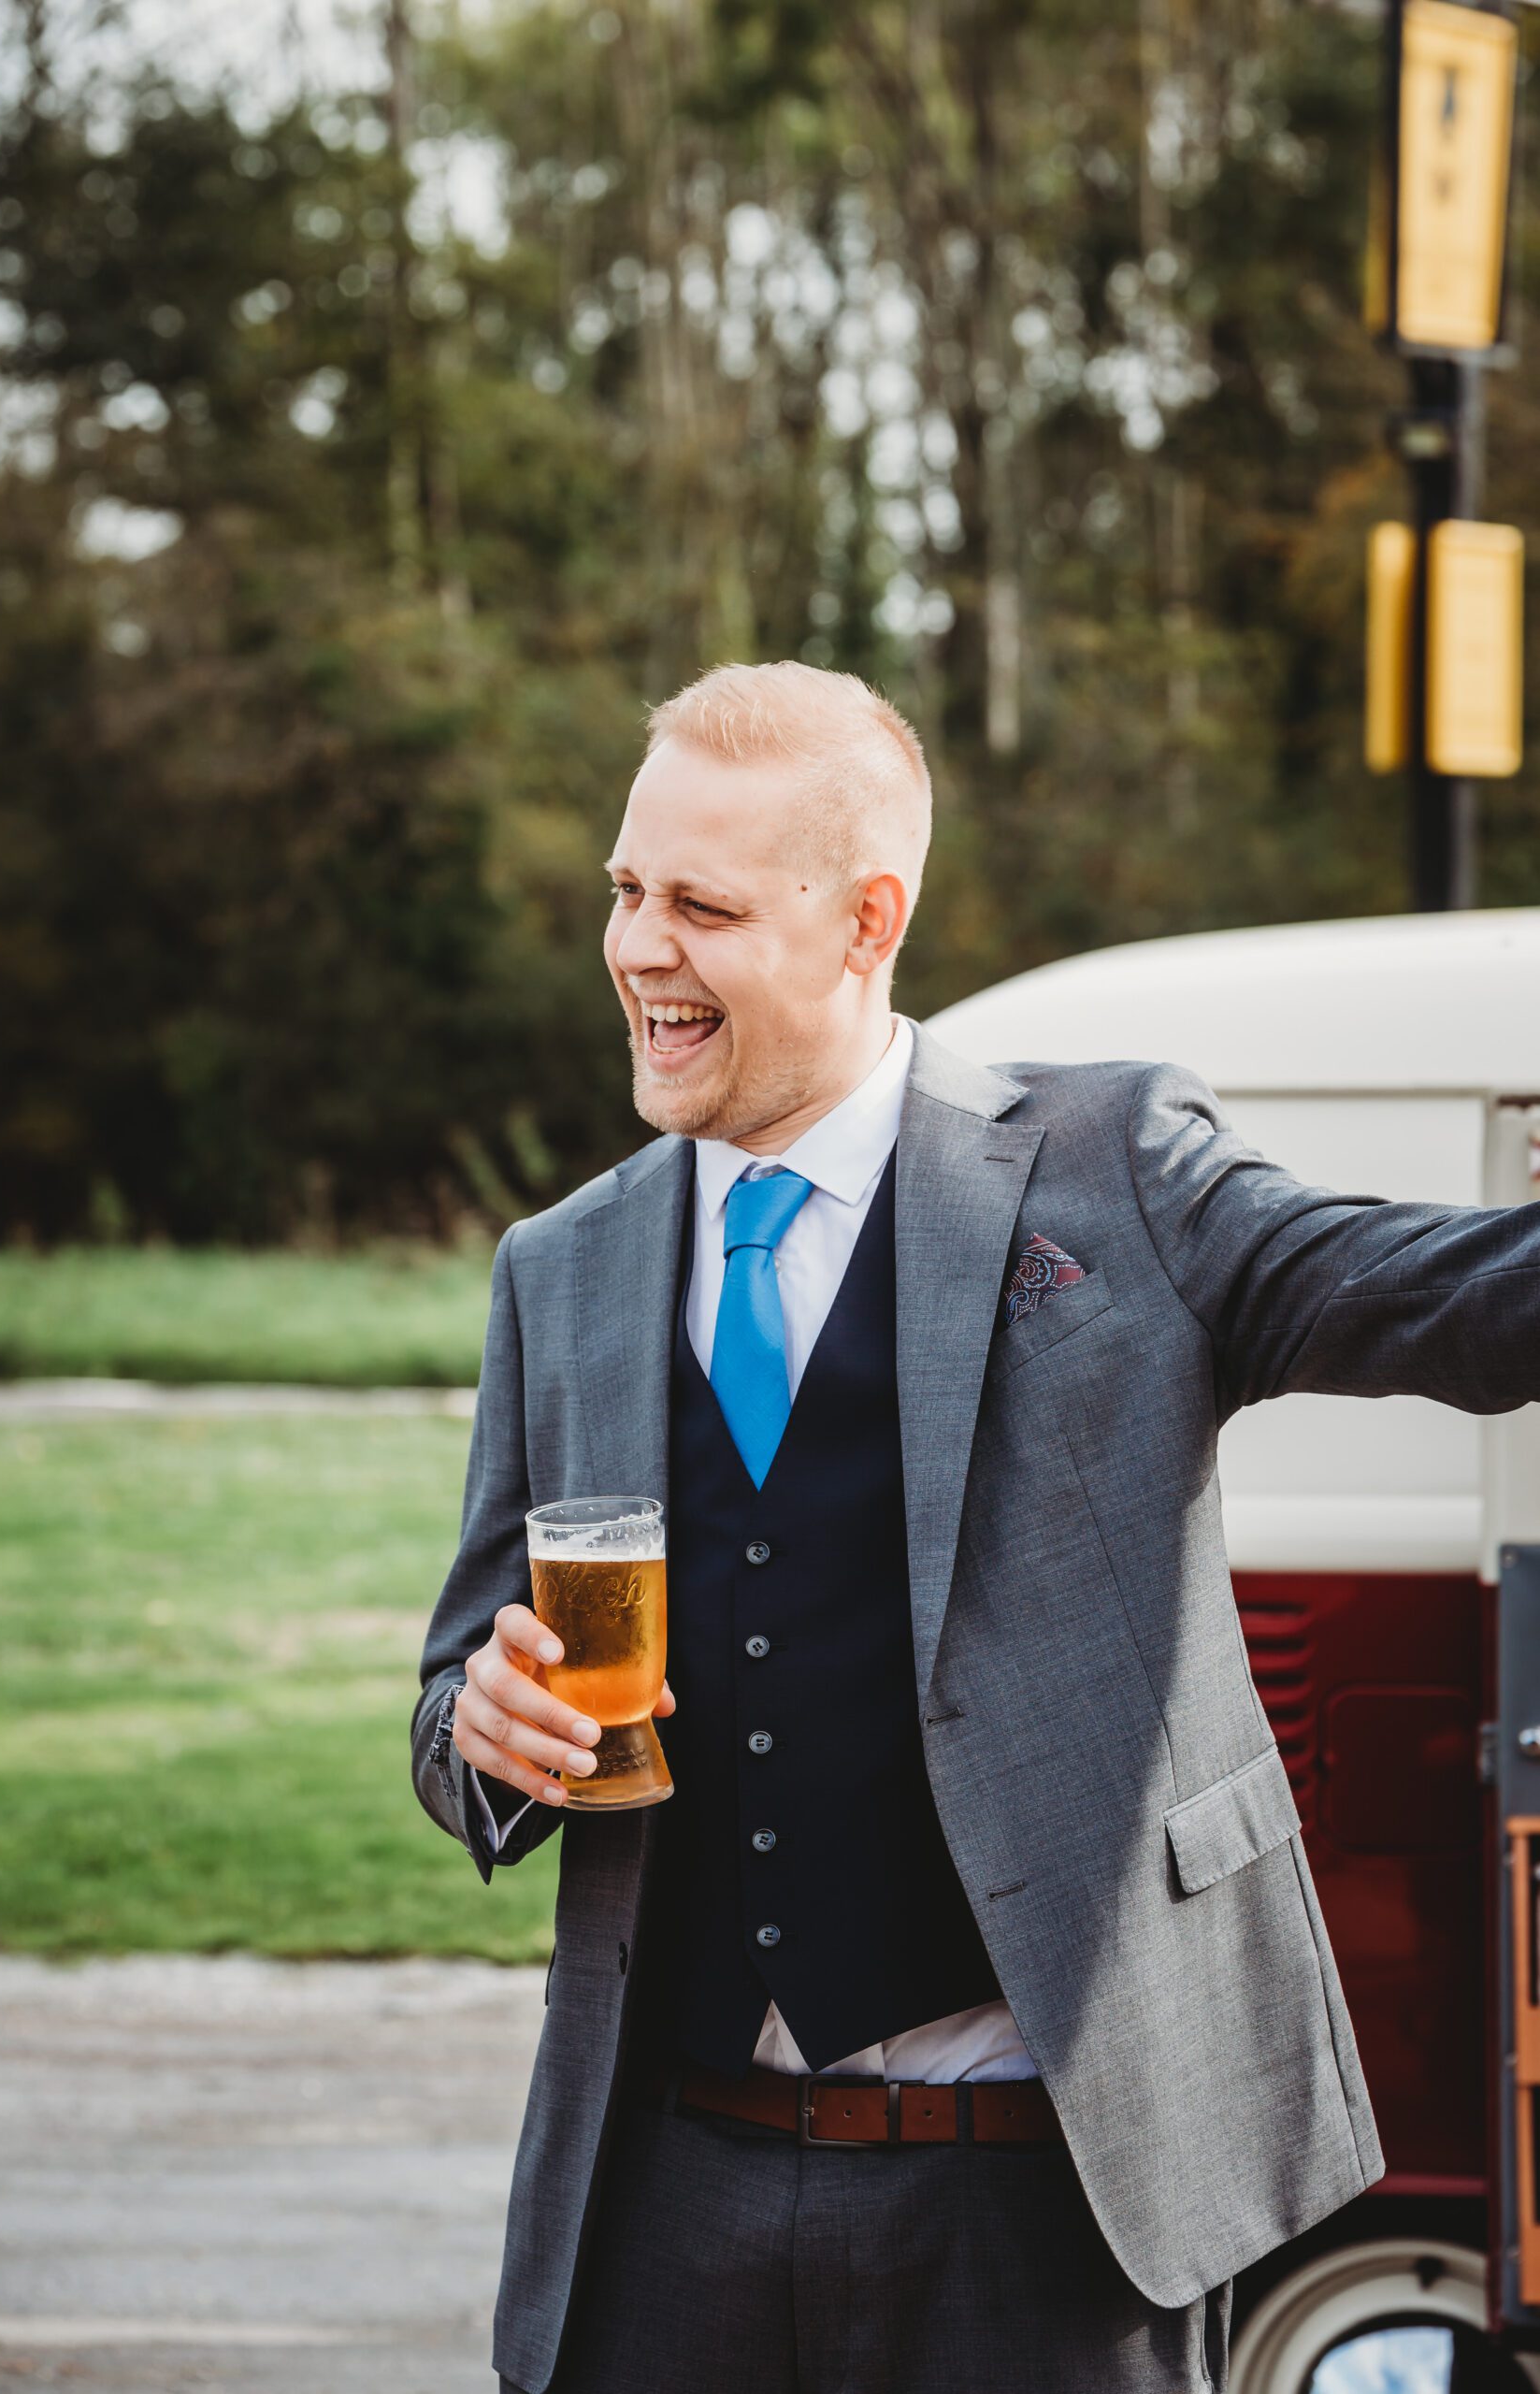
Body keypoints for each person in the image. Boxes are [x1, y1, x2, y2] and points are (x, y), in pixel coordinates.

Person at [411, 659, 1540, 2394]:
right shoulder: (559, 1269)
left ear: (868, 920)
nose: (640, 949)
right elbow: (454, 1708)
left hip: (1039, 2201)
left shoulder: (1117, 1173)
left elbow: (1444, 1299)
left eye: (701, 906)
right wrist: (485, 1734)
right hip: (669, 2198)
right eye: (628, 892)